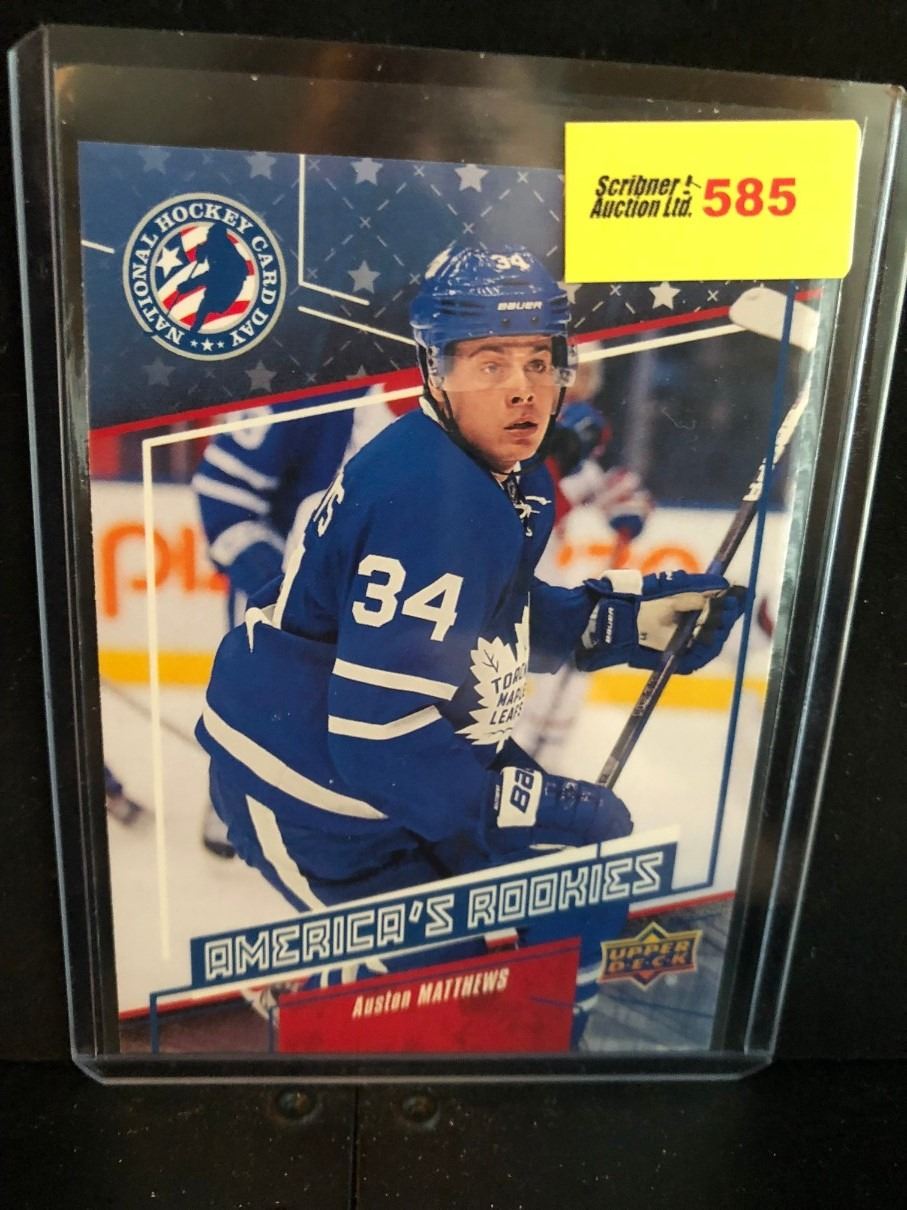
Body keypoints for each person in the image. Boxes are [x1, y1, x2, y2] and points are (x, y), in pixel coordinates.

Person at [195, 244, 743, 1038]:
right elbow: (377, 738)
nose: (524, 387)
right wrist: (529, 800)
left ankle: (535, 1049)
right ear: (435, 369)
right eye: (490, 363)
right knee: (434, 991)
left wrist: (618, 623)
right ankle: (328, 999)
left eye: (538, 361)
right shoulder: (425, 496)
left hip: (400, 772)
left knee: (568, 882)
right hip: (309, 796)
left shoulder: (494, 472)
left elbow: (483, 619)